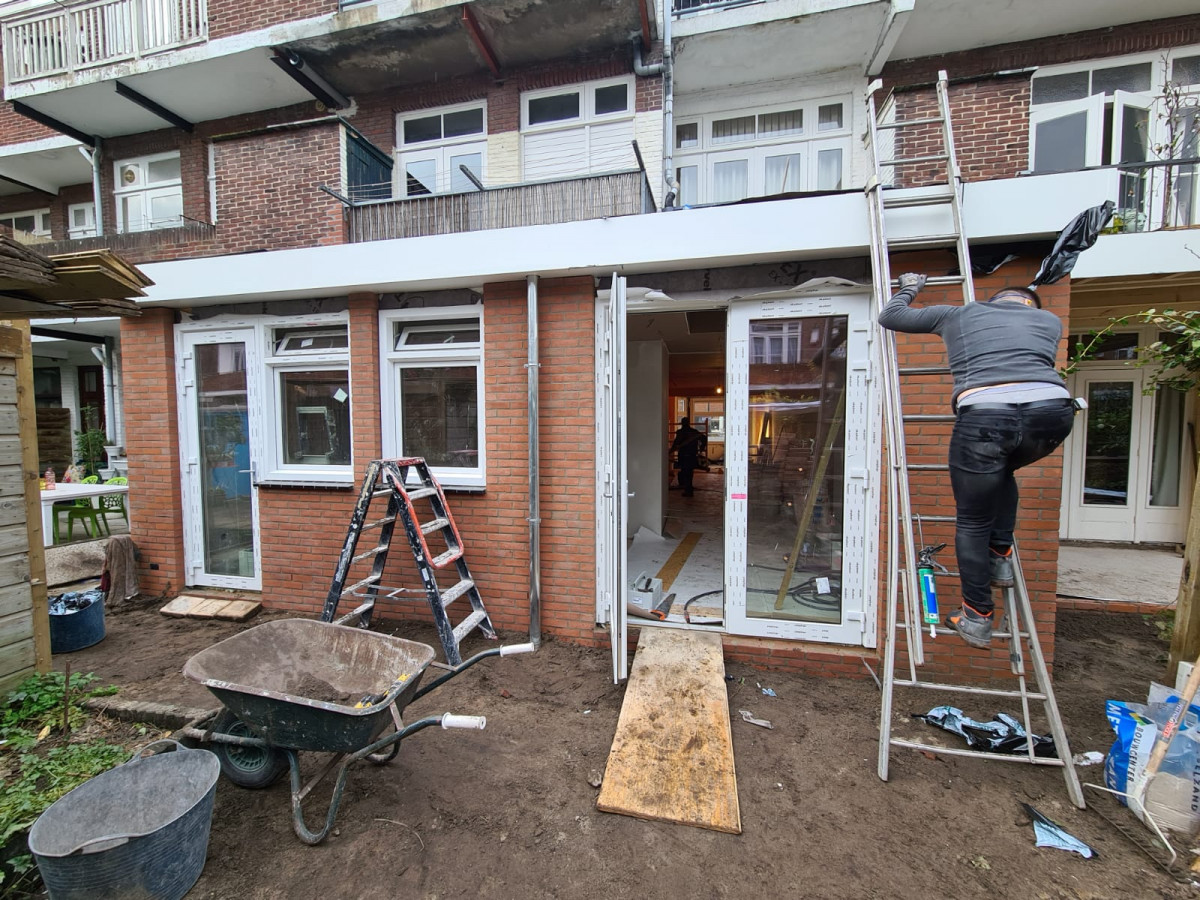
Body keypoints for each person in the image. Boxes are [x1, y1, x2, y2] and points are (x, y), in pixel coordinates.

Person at [878, 273, 1075, 649]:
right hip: (1052, 415)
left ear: (995, 300)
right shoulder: (1049, 321)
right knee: (1004, 469)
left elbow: (891, 316)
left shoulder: (960, 314)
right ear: (1029, 306)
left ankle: (976, 615)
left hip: (987, 417)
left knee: (972, 520)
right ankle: (1000, 556)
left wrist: (910, 286)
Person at [670, 417, 707, 497]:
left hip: (683, 456)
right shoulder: (694, 432)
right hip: (692, 456)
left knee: (685, 472)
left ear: (682, 423)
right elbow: (704, 438)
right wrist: (701, 448)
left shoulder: (680, 432)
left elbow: (675, 443)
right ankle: (688, 489)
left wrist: (669, 452)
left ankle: (688, 490)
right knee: (689, 473)